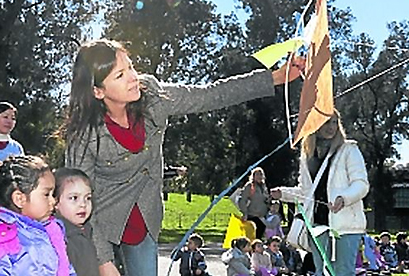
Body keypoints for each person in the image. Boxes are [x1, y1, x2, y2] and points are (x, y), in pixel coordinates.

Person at [64, 39, 305, 276]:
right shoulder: (84, 134)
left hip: (143, 222)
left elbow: (212, 94)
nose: (132, 77)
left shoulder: (153, 96)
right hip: (97, 224)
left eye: (130, 67)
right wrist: (104, 260)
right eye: (119, 75)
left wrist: (274, 77)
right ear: (98, 91)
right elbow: (77, 200)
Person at [271, 109, 370, 276]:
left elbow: (361, 184)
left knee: (343, 272)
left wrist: (343, 198)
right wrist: (283, 193)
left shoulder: (349, 150)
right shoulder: (307, 156)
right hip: (317, 225)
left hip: (345, 225)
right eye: (326, 122)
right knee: (321, 272)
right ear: (315, 123)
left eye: (334, 122)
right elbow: (305, 192)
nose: (331, 127)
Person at [0, 156, 76, 275]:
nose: (53, 201)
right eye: (47, 194)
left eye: (53, 194)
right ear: (19, 199)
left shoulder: (51, 230)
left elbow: (66, 268)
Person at [54, 167, 100, 276]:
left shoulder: (86, 229)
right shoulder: (61, 238)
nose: (83, 204)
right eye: (74, 198)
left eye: (88, 198)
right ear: (55, 202)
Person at [238, 167, 271, 240]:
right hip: (252, 215)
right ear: (253, 176)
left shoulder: (264, 186)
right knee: (251, 238)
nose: (259, 176)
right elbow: (242, 199)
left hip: (262, 216)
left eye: (261, 174)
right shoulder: (250, 186)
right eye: (257, 174)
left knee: (259, 237)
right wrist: (244, 213)